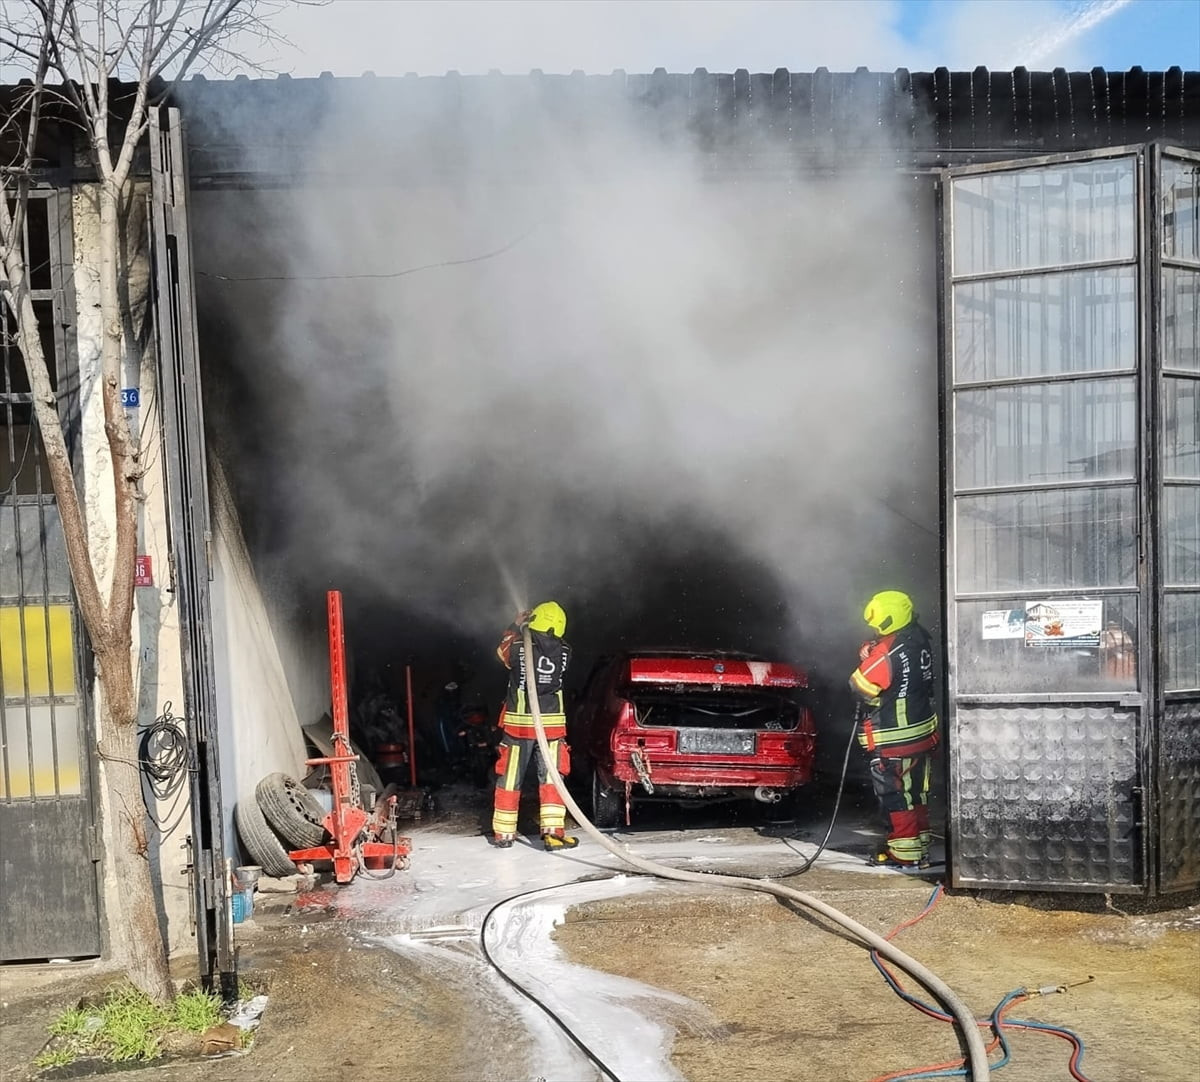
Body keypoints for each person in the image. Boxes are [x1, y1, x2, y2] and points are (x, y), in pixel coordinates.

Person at [848, 590, 939, 869]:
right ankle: (919, 845)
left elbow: (860, 685)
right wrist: (873, 646)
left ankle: (905, 855)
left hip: (895, 738)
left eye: (877, 624)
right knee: (914, 794)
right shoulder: (919, 637)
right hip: (922, 733)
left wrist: (871, 655)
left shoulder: (889, 651)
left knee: (896, 795)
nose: (874, 628)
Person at [490, 601, 578, 852]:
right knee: (552, 780)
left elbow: (501, 653)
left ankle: (504, 834)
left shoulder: (518, 646)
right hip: (552, 728)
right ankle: (553, 833)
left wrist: (515, 626)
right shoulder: (565, 650)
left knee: (509, 779)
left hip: (519, 727)